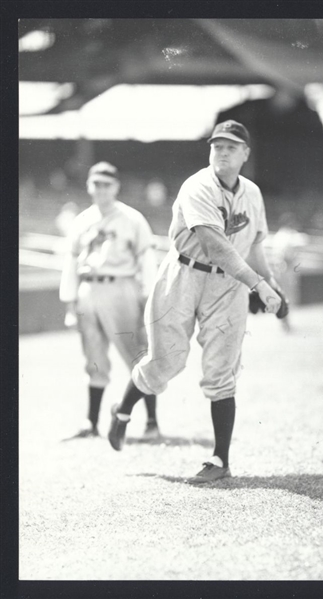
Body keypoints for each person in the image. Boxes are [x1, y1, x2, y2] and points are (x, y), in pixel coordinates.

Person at [107, 121, 283, 484]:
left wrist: (271, 285)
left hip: (228, 286)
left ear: (246, 154)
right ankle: (122, 412)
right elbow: (212, 244)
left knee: (222, 370)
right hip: (183, 274)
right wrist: (257, 284)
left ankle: (220, 460)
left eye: (231, 146)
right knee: (165, 362)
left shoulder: (252, 193)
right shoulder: (197, 185)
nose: (222, 151)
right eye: (217, 145)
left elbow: (254, 246)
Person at [59, 162, 160, 440]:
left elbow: (147, 260)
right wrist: (69, 302)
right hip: (88, 290)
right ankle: (91, 423)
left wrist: (147, 296)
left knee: (136, 355)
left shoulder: (132, 218)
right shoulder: (82, 220)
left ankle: (151, 422)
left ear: (116, 186)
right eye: (97, 184)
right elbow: (70, 263)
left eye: (107, 184)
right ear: (89, 186)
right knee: (93, 358)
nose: (101, 190)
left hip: (121, 287)